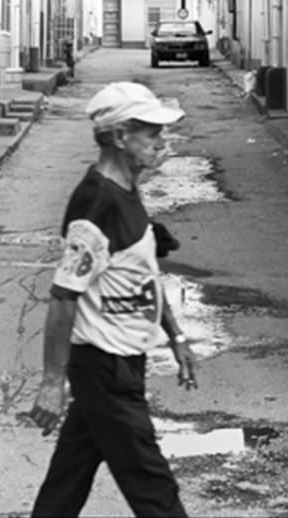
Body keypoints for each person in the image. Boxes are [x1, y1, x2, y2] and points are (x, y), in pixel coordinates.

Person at [29, 81, 199, 518]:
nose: (162, 142)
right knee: (153, 488)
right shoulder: (96, 205)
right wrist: (52, 382)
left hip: (119, 361)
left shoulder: (126, 189)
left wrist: (176, 336)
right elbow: (64, 297)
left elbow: (141, 271)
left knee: (68, 479)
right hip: (105, 366)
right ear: (120, 137)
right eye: (151, 133)